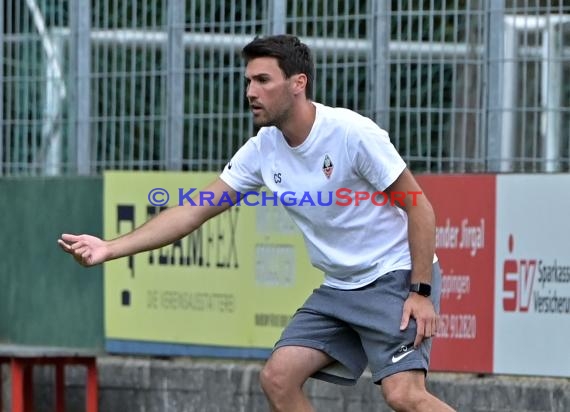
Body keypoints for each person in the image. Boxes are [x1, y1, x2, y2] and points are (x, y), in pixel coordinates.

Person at [59, 34, 455, 412]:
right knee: (278, 378)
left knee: (404, 395)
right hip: (339, 289)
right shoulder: (263, 149)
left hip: (393, 277)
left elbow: (419, 208)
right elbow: (192, 210)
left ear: (298, 83)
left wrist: (419, 292)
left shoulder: (352, 134)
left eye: (263, 80)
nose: (250, 91)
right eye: (248, 81)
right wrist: (110, 248)